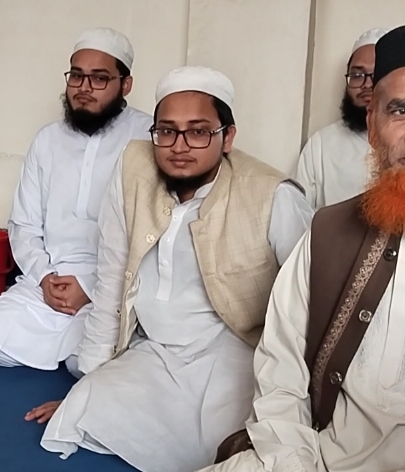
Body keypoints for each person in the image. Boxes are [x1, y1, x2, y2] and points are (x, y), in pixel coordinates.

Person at [27, 66, 314, 472]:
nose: (179, 146)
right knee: (84, 406)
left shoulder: (271, 194)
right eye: (166, 131)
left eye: (198, 132)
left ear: (228, 137)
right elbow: (112, 275)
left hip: (234, 353)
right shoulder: (134, 170)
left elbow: (311, 298)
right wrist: (88, 382)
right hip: (154, 350)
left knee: (227, 446)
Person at [197, 24, 405, 472]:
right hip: (317, 455)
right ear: (373, 126)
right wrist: (294, 462)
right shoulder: (328, 232)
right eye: (400, 110)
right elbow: (281, 373)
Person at [0, 27, 152, 375]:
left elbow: (150, 232)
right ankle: (70, 345)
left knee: (87, 363)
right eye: (76, 76)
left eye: (99, 78)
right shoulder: (47, 140)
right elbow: (23, 224)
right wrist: (44, 278)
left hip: (113, 284)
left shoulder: (147, 139)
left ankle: (78, 350)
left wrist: (90, 286)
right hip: (49, 278)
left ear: (125, 85)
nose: (83, 87)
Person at [294, 27, 387, 209]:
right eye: (357, 75)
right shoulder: (321, 145)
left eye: (376, 75)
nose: (367, 84)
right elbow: (298, 212)